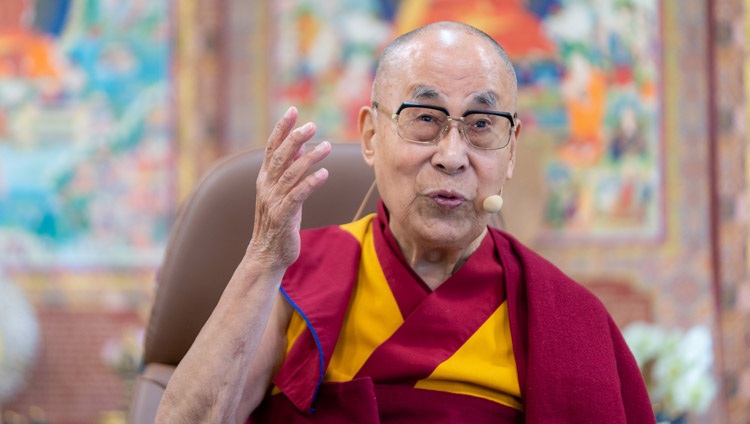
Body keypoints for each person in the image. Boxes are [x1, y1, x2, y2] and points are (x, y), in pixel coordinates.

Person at [155, 21, 655, 423]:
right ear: (371, 136)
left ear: (512, 150)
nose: (452, 156)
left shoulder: (563, 318)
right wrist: (264, 258)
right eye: (424, 118)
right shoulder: (300, 278)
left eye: (481, 126)